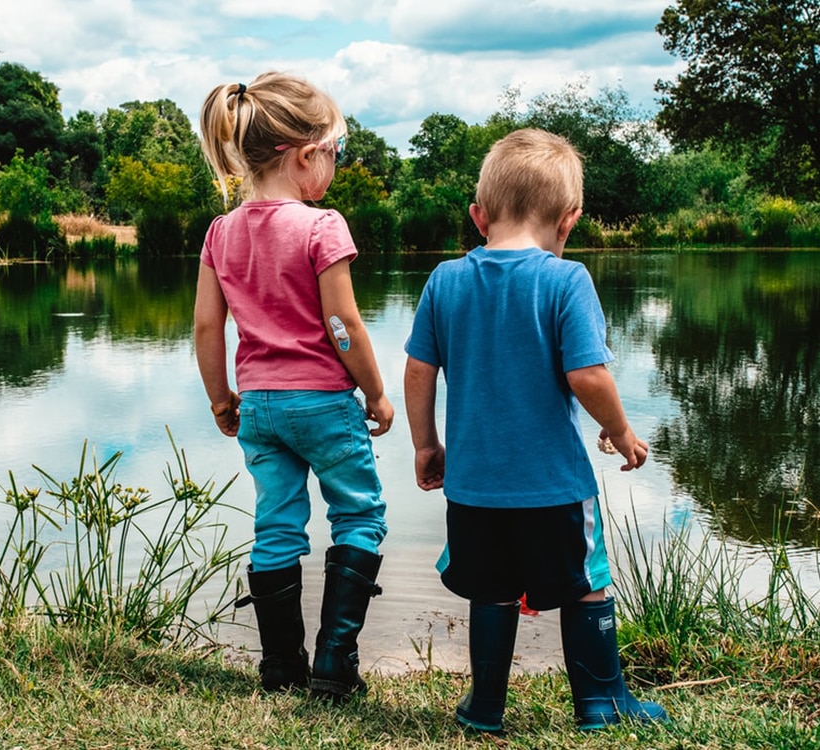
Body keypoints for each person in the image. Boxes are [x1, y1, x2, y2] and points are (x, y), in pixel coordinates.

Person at [403, 128, 669, 733]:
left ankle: (485, 709)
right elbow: (588, 374)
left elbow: (419, 370)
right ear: (569, 220)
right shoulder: (565, 280)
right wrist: (621, 432)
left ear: (479, 216)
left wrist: (425, 444)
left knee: (491, 590)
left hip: (473, 487)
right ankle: (601, 703)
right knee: (586, 584)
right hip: (553, 485)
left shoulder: (444, 280)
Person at [194, 71, 393, 699]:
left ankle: (281, 666)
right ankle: (335, 665)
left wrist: (220, 399)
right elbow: (342, 323)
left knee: (277, 526)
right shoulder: (321, 225)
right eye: (334, 152)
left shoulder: (221, 232)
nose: (334, 166)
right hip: (323, 403)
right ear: (306, 155)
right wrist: (378, 392)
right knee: (358, 515)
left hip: (259, 406)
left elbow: (206, 325)